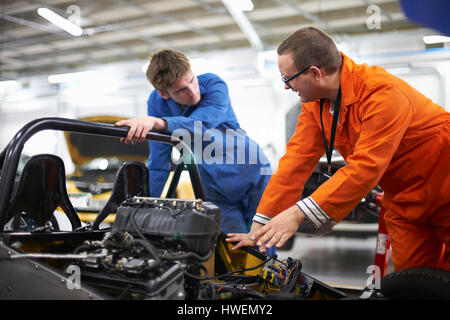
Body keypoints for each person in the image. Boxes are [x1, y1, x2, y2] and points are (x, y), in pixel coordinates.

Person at [227, 26, 450, 272]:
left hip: (445, 190)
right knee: (415, 282)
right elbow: (295, 163)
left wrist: (298, 214)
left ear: (315, 73)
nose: (286, 87)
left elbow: (364, 168)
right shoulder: (316, 106)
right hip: (404, 202)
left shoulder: (382, 94)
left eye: (287, 78)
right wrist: (260, 226)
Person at [115, 49, 272, 235]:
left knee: (261, 239)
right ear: (164, 94)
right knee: (232, 248)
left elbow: (201, 125)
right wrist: (145, 207)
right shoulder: (157, 102)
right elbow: (158, 160)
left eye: (192, 80)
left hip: (251, 172)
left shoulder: (214, 84)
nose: (193, 91)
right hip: (213, 186)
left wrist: (158, 123)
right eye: (181, 90)